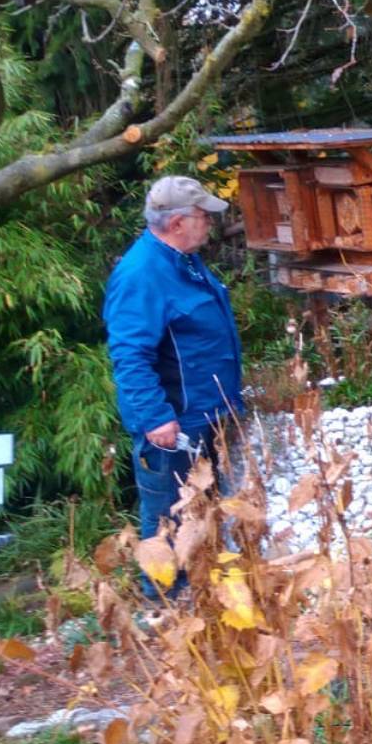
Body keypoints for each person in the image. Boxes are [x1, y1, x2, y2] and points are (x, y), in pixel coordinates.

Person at [103, 175, 243, 600]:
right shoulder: (141, 274)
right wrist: (155, 417)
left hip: (206, 414)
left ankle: (202, 599)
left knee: (201, 515)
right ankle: (163, 604)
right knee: (167, 519)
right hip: (172, 424)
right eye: (203, 217)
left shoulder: (182, 261)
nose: (209, 225)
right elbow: (130, 355)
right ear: (178, 221)